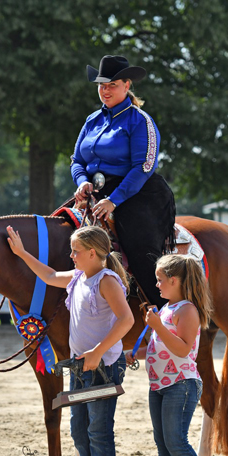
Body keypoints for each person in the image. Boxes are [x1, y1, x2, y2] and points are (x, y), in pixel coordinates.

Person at [6, 225, 134, 456]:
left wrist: (97, 352)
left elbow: (126, 319)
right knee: (79, 431)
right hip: (80, 368)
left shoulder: (106, 281)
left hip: (103, 368)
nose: (72, 256)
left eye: (76, 251)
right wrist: (22, 253)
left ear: (93, 253)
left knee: (98, 432)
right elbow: (50, 276)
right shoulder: (78, 277)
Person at [71, 55, 176, 309]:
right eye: (101, 85)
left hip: (136, 195)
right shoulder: (91, 120)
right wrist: (82, 181)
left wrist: (113, 200)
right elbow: (76, 159)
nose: (105, 91)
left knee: (140, 249)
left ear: (127, 85)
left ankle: (164, 312)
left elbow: (144, 166)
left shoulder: (141, 121)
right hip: (95, 195)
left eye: (112, 85)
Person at [125, 255, 213, 456]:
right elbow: (160, 348)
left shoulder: (187, 310)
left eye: (160, 279)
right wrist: (135, 353)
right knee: (163, 443)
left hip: (180, 384)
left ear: (174, 280)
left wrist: (158, 326)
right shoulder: (166, 309)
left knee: (176, 443)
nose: (156, 284)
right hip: (159, 385)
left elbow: (183, 349)